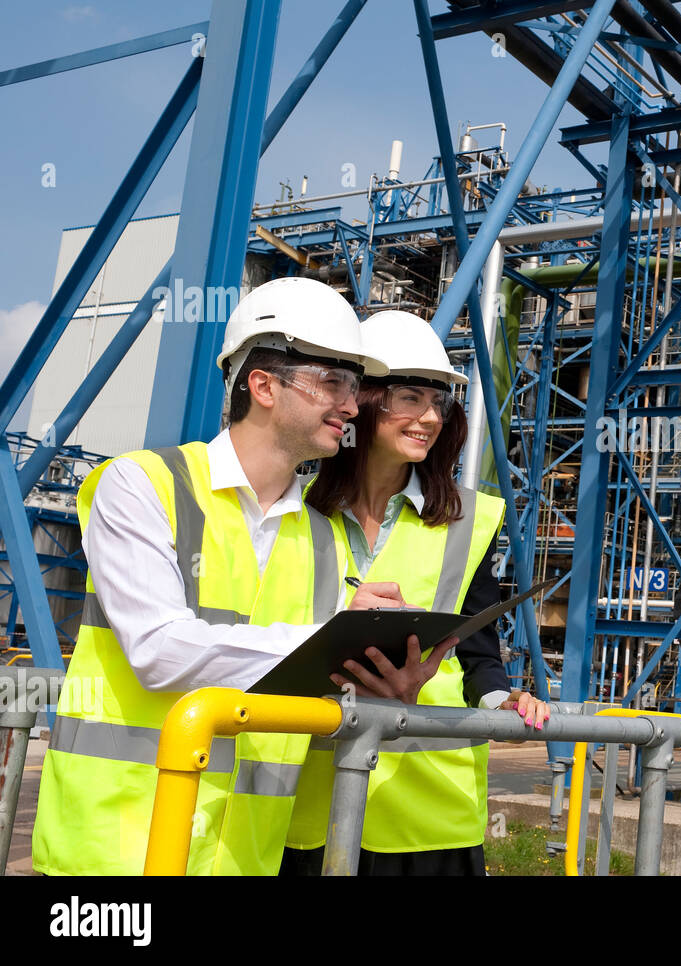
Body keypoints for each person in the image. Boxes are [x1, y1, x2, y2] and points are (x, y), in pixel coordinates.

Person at [31, 277, 445, 876]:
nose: (352, 407)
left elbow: (310, 701)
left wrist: (375, 689)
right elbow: (159, 651)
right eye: (333, 382)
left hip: (243, 859)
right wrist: (328, 635)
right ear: (263, 386)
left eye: (354, 387)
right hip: (115, 853)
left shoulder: (324, 537)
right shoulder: (143, 486)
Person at [281, 310, 548, 876]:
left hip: (427, 815)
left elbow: (478, 657)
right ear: (363, 400)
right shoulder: (290, 512)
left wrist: (505, 702)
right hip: (308, 806)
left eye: (439, 402)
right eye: (409, 397)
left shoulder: (468, 521)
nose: (429, 417)